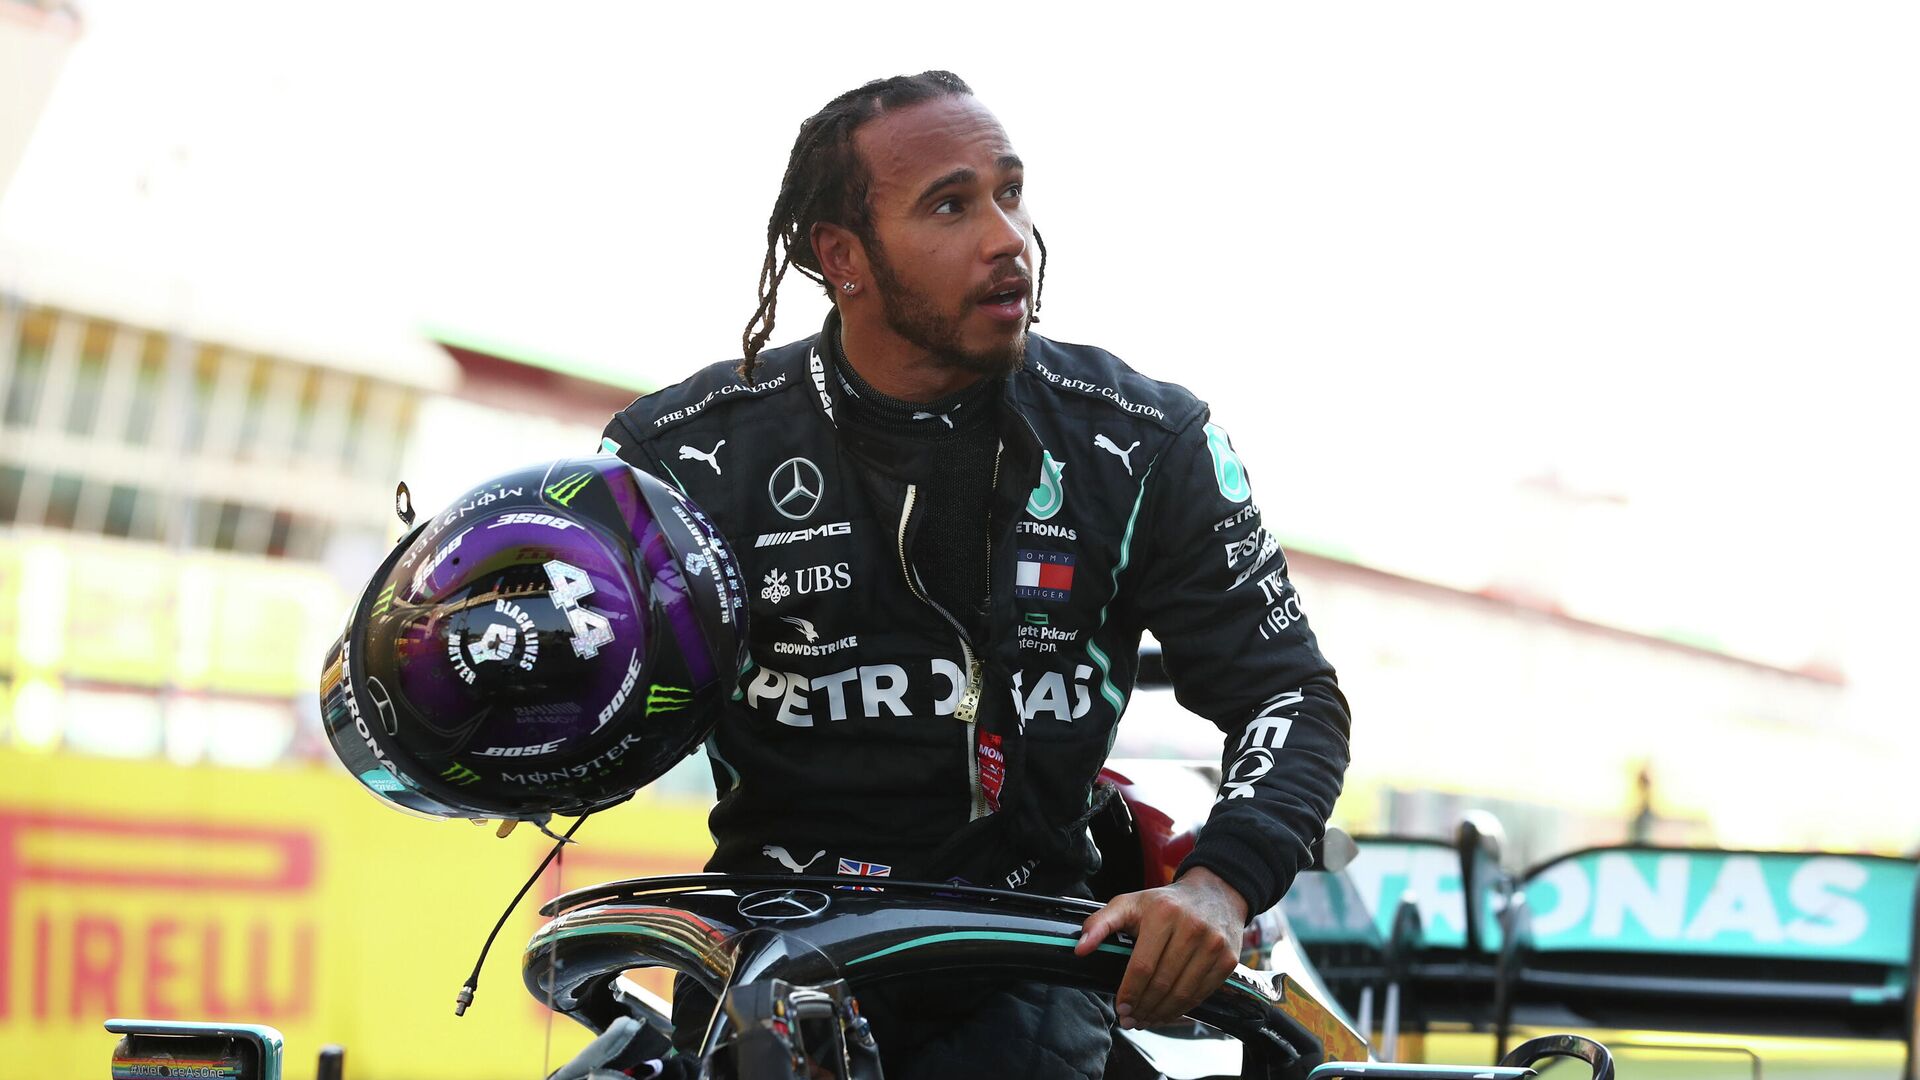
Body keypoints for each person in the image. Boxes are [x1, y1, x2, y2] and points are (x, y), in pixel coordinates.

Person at [595, 70, 1350, 1079]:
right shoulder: (681, 452)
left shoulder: (1142, 436)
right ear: (843, 258)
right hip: (763, 955)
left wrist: (1221, 883)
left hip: (1030, 959)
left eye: (1010, 191)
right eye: (952, 205)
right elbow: (591, 696)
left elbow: (1291, 692)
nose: (1008, 237)